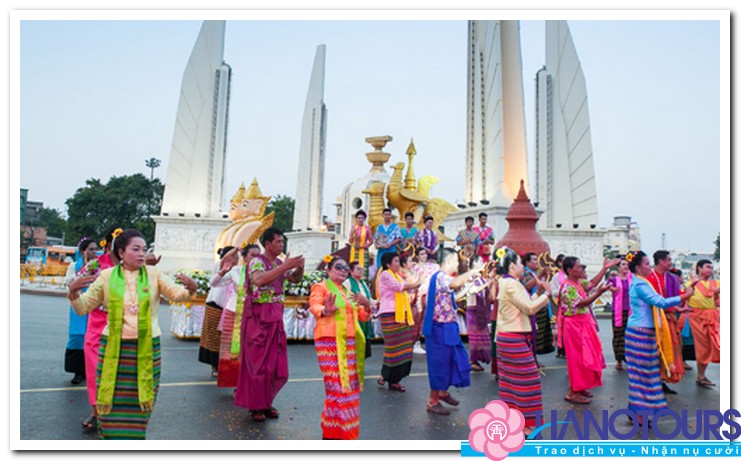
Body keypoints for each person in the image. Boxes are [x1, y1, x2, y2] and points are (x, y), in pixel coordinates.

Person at [67, 229, 198, 439]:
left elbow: (178, 294)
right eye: (135, 249)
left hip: (146, 348)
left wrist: (191, 289)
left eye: (144, 250)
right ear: (121, 252)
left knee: (141, 400)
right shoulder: (106, 276)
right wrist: (73, 292)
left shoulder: (154, 275)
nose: (141, 254)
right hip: (113, 349)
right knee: (110, 401)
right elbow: (83, 307)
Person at [234, 227, 305, 422]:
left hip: (275, 317)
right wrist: (284, 267)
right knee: (256, 365)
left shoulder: (279, 263)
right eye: (278, 242)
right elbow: (259, 280)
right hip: (258, 319)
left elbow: (294, 280)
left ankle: (265, 403)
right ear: (267, 244)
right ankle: (255, 406)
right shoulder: (257, 262)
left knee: (272, 365)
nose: (281, 245)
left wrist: (299, 268)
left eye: (282, 242)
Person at [624, 250, 696, 426]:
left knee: (643, 373)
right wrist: (685, 296)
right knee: (643, 374)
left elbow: (657, 305)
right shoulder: (641, 285)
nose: (649, 266)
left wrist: (678, 307)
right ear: (639, 267)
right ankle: (639, 414)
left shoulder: (641, 282)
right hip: (640, 333)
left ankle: (636, 410)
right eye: (647, 264)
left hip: (643, 332)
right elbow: (661, 302)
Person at [309, 256, 371, 439]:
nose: (343, 271)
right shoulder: (321, 287)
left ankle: (343, 431)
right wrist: (326, 310)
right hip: (329, 342)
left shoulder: (346, 291)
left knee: (349, 388)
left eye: (346, 268)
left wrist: (367, 305)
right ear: (328, 270)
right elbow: (315, 305)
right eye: (339, 267)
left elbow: (362, 316)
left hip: (349, 344)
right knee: (336, 387)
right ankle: (332, 433)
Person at [494, 247, 550, 435]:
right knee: (528, 380)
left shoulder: (508, 282)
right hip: (513, 338)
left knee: (512, 383)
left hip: (508, 336)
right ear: (511, 266)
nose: (522, 267)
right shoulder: (512, 284)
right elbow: (531, 309)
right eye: (519, 263)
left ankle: (517, 422)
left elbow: (523, 306)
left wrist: (537, 292)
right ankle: (524, 426)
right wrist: (546, 295)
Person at [423, 250, 477, 415]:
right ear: (447, 261)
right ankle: (433, 401)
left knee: (450, 361)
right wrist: (473, 271)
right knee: (440, 364)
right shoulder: (441, 276)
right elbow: (454, 284)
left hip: (446, 326)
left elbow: (453, 295)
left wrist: (472, 288)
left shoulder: (443, 279)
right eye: (454, 261)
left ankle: (443, 392)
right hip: (439, 327)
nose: (456, 264)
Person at [79, 228, 122, 432]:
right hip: (97, 324)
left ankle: (115, 412)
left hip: (122, 325)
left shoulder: (130, 267)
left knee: (119, 371)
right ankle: (96, 412)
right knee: (96, 370)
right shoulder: (98, 264)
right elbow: (76, 282)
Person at [559, 256, 617, 404]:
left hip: (582, 323)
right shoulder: (567, 287)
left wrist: (604, 268)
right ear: (570, 270)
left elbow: (591, 283)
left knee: (587, 355)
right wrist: (599, 293)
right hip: (574, 325)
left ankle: (580, 386)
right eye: (578, 267)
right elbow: (581, 303)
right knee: (577, 358)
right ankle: (572, 391)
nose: (581, 269)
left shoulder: (577, 283)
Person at [209, 243, 261, 388]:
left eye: (258, 256)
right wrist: (223, 271)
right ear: (244, 257)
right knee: (232, 351)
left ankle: (249, 383)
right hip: (234, 314)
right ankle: (235, 382)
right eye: (252, 255)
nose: (256, 259)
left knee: (252, 350)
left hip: (254, 315)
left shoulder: (263, 274)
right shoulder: (236, 271)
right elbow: (213, 283)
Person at [375, 251, 421, 391]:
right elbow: (400, 287)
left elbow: (408, 286)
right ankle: (388, 376)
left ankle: (393, 378)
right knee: (393, 347)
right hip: (390, 313)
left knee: (404, 346)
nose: (397, 264)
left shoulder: (397, 275)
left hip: (401, 313)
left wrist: (416, 282)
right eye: (395, 261)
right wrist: (418, 282)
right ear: (388, 264)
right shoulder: (385, 274)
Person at [646, 250, 686, 393]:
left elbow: (676, 296)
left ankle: (662, 379)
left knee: (671, 348)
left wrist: (681, 303)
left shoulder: (672, 278)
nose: (671, 263)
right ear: (660, 261)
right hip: (652, 319)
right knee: (655, 350)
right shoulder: (648, 278)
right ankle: (653, 381)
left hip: (668, 318)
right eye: (668, 260)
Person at [63, 237, 99, 386]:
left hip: (93, 305)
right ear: (83, 251)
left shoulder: (99, 267)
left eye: (95, 249)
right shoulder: (74, 266)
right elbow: (68, 282)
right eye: (90, 249)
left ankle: (89, 371)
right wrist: (83, 269)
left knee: (92, 338)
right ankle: (78, 372)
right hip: (78, 303)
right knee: (77, 337)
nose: (94, 252)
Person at [199, 246, 236, 377]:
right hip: (216, 305)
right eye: (233, 257)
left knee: (225, 340)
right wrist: (236, 249)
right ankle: (214, 366)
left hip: (229, 308)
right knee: (214, 338)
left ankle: (224, 365)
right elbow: (225, 261)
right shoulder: (219, 266)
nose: (236, 259)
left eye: (236, 257)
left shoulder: (237, 270)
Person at [686, 259, 720, 388]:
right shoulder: (690, 283)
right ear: (699, 268)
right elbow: (684, 299)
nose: (710, 270)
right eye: (707, 267)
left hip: (712, 316)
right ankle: (701, 375)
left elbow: (718, 302)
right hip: (697, 317)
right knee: (703, 346)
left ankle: (701, 375)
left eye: (711, 268)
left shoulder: (716, 283)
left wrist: (716, 295)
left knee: (714, 344)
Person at [465, 256, 496, 372]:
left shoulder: (482, 277)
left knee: (483, 337)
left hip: (481, 309)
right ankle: (472, 360)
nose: (482, 263)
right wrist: (488, 283)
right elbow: (473, 290)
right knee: (475, 338)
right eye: (479, 261)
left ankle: (476, 359)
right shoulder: (470, 277)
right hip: (473, 309)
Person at [410, 247, 439, 355]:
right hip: (419, 294)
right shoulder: (414, 268)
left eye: (425, 254)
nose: (424, 256)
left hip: (432, 293)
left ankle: (431, 342)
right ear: (417, 256)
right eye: (421, 254)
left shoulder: (433, 266)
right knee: (419, 317)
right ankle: (416, 342)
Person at [345, 261, 377, 359]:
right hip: (355, 315)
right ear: (350, 271)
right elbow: (347, 298)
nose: (361, 271)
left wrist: (376, 303)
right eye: (358, 269)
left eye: (361, 269)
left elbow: (369, 299)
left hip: (365, 314)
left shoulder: (363, 283)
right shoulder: (347, 283)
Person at [609, 258, 633, 371]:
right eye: (623, 264)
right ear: (618, 267)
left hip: (630, 310)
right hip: (618, 311)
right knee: (618, 335)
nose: (625, 266)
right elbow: (607, 287)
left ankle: (628, 358)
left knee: (629, 335)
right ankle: (618, 360)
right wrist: (613, 288)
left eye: (627, 264)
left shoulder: (631, 278)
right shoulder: (614, 279)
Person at [550, 254, 567, 358]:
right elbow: (553, 291)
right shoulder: (557, 277)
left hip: (572, 305)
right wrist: (563, 292)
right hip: (562, 305)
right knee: (562, 328)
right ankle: (562, 349)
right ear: (560, 263)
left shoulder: (571, 275)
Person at [348, 210, 373, 278]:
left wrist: (365, 246)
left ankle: (363, 283)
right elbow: (350, 241)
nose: (360, 220)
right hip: (354, 250)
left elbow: (371, 241)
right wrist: (351, 234)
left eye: (362, 218)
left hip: (363, 251)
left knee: (362, 268)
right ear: (356, 219)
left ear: (364, 219)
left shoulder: (367, 228)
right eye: (359, 218)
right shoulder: (353, 228)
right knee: (353, 267)